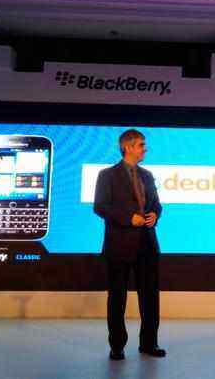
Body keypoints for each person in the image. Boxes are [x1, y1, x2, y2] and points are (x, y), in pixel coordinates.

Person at [93, 129, 165, 360]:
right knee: (117, 298)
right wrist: (128, 218)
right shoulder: (107, 175)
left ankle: (149, 343)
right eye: (141, 145)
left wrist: (155, 214)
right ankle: (117, 346)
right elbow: (100, 206)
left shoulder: (148, 175)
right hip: (119, 245)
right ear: (128, 147)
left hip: (147, 244)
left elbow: (156, 204)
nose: (145, 149)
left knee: (150, 297)